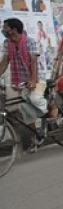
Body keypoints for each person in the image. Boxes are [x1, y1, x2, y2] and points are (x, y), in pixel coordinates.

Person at [0, 18, 53, 152]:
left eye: (5, 27)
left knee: (35, 99)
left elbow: (33, 61)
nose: (3, 29)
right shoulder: (7, 43)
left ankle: (52, 106)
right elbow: (5, 62)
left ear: (13, 29)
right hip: (20, 81)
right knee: (24, 109)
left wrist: (34, 79)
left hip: (38, 78)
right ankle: (37, 135)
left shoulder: (29, 42)